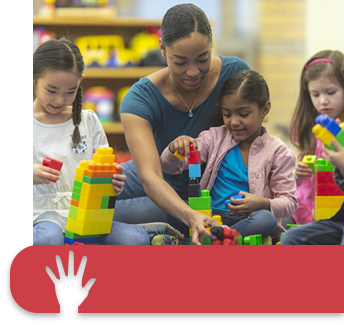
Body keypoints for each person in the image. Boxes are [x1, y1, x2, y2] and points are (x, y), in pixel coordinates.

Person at [115, 3, 250, 244]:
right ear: (162, 49)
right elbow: (150, 176)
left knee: (259, 219)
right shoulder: (139, 99)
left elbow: (256, 143)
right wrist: (191, 217)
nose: (193, 72)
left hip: (210, 190)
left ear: (212, 46)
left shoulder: (235, 74)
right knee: (95, 192)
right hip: (160, 179)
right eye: (180, 62)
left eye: (202, 59)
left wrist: (194, 213)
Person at [33, 38, 150, 245]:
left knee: (136, 239)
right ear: (33, 79)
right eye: (51, 91)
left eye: (70, 91)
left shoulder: (88, 121)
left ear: (80, 81)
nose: (60, 100)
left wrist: (112, 181)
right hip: (40, 216)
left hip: (88, 217)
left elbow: (106, 169)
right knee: (49, 237)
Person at [160, 70, 298, 240]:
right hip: (208, 216)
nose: (234, 121)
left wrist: (262, 203)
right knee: (173, 207)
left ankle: (217, 239)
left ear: (265, 110)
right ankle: (222, 239)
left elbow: (290, 202)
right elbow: (170, 168)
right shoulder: (214, 137)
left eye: (244, 114)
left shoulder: (278, 151)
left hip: (248, 219)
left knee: (266, 219)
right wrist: (175, 150)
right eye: (227, 114)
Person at [289, 50, 344, 225]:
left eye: (331, 92)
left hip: (335, 209)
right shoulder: (306, 126)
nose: (323, 101)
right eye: (316, 94)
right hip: (305, 206)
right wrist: (297, 174)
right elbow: (294, 175)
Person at [281, 133, 344, 245]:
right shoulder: (313, 133)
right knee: (289, 236)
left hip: (328, 210)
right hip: (304, 204)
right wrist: (296, 174)